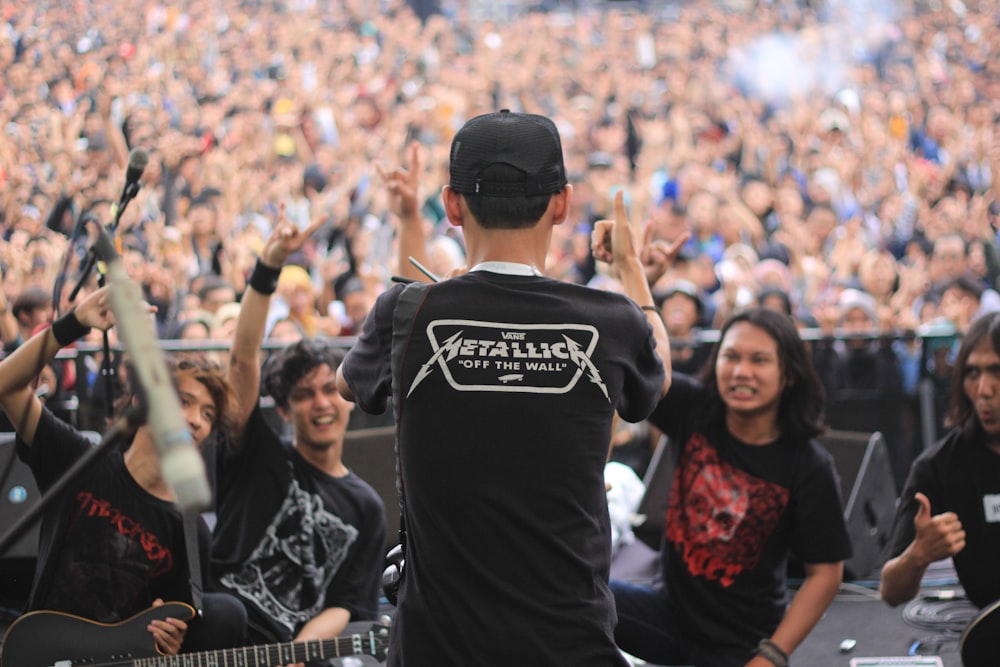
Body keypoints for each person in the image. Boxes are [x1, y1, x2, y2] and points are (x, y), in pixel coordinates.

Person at [337, 110, 671, 666]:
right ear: (561, 204)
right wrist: (633, 276)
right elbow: (652, 380)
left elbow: (356, 386)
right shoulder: (612, 319)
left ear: (451, 204)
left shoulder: (406, 312)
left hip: (435, 649)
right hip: (570, 646)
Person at [0, 286, 247, 655]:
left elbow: (170, 632)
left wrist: (171, 641)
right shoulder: (79, 459)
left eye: (208, 415)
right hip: (42, 651)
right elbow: (8, 386)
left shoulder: (192, 532)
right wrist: (72, 325)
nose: (196, 420)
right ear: (140, 400)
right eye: (184, 402)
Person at [610, 307, 852, 667]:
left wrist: (771, 657)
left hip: (742, 644)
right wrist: (633, 269)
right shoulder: (695, 408)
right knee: (574, 596)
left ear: (788, 374)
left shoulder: (808, 465)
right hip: (668, 616)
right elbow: (646, 359)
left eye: (759, 360)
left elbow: (826, 573)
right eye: (731, 356)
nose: (742, 371)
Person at [209, 208, 387, 658]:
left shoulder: (365, 506)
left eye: (330, 389)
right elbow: (242, 359)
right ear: (285, 409)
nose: (323, 403)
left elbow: (349, 603)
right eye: (305, 395)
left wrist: (299, 649)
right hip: (218, 637)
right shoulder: (258, 456)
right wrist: (268, 267)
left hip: (288, 653)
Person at [879, 311, 1000, 610]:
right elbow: (891, 590)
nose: (984, 390)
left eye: (997, 371)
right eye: (973, 373)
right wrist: (918, 554)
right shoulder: (938, 466)